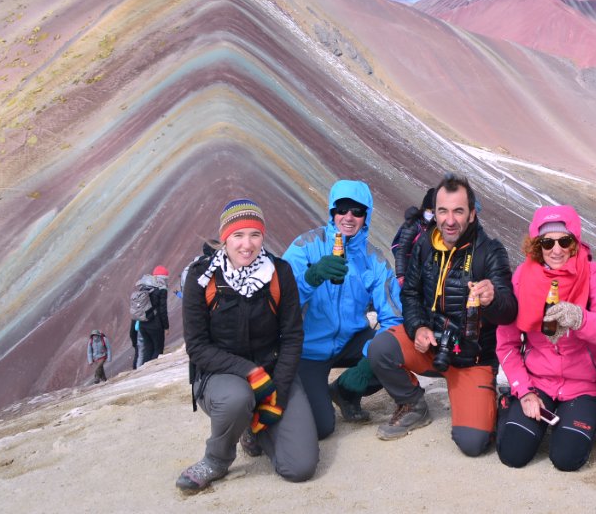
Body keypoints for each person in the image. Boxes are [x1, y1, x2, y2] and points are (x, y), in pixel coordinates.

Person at [368, 173, 517, 456]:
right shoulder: (425, 245)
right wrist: (418, 327)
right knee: (380, 348)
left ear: (472, 214)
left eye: (458, 211)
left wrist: (493, 298)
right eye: (443, 211)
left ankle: (484, 401)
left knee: (473, 444)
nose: (450, 220)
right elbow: (409, 294)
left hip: (471, 359)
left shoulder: (490, 252)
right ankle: (412, 404)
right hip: (431, 347)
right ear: (433, 213)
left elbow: (509, 312)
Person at [178, 199, 317, 493]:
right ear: (224, 238)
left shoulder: (279, 272)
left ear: (263, 237)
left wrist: (276, 393)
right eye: (238, 235)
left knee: (300, 468)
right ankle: (216, 458)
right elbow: (198, 347)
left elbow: (292, 336)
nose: (247, 244)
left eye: (254, 234)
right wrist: (250, 372)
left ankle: (255, 431)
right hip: (221, 376)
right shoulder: (201, 278)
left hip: (273, 370)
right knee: (237, 398)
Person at [495, 205, 596, 471]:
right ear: (536, 244)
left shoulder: (592, 273)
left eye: (564, 240)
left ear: (574, 242)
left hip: (583, 384)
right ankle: (509, 403)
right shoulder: (522, 278)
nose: (556, 249)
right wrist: (524, 391)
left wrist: (580, 318)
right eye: (546, 242)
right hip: (537, 382)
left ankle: (586, 416)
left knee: (567, 459)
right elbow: (506, 343)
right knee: (512, 454)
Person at [282, 180, 404, 440]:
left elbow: (393, 317)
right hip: (308, 350)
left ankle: (346, 392)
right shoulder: (305, 247)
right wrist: (311, 277)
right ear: (332, 212)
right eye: (342, 209)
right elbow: (279, 300)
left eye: (357, 211)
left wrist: (368, 364)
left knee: (396, 348)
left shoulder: (374, 260)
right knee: (321, 427)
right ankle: (260, 423)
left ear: (366, 216)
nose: (349, 217)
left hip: (351, 341)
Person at [391, 187, 436, 285]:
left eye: (435, 212)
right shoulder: (413, 225)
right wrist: (401, 276)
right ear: (424, 209)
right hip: (407, 271)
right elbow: (401, 250)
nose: (432, 214)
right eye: (430, 211)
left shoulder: (435, 228)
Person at [132, 266, 170, 368]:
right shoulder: (162, 289)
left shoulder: (144, 286)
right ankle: (153, 371)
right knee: (158, 349)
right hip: (155, 324)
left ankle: (144, 372)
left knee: (148, 349)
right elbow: (163, 310)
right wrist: (166, 327)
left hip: (143, 324)